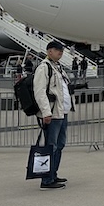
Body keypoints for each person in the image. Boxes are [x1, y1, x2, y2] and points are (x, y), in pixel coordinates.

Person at [33, 40, 73, 189]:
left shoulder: (58, 67)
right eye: (57, 50)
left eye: (61, 51)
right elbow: (40, 91)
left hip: (62, 112)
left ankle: (53, 174)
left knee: (60, 145)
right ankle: (46, 179)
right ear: (49, 51)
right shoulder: (44, 68)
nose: (60, 53)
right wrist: (46, 112)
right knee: (51, 146)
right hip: (52, 113)